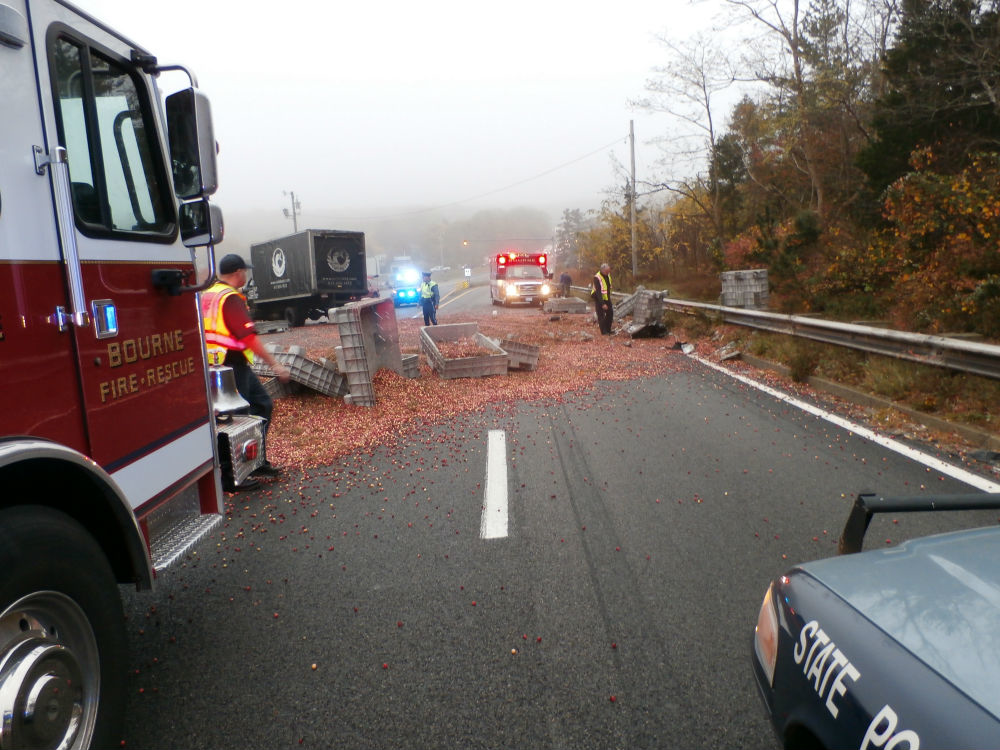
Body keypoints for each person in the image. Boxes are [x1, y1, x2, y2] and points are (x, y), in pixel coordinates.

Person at [202, 253, 291, 485]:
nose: (246, 275)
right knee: (236, 419)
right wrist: (275, 364)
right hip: (230, 367)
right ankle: (233, 475)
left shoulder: (208, 293)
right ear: (238, 272)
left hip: (217, 365)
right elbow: (248, 337)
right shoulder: (230, 298)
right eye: (245, 271)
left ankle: (255, 461)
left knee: (261, 405)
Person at [592, 263, 614, 335]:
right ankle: (604, 332)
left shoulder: (607, 275)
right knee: (601, 315)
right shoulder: (597, 277)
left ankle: (608, 330)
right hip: (598, 298)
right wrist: (603, 304)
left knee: (610, 313)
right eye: (607, 271)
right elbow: (598, 292)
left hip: (606, 297)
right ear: (602, 270)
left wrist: (608, 299)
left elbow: (607, 287)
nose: (608, 272)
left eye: (609, 271)